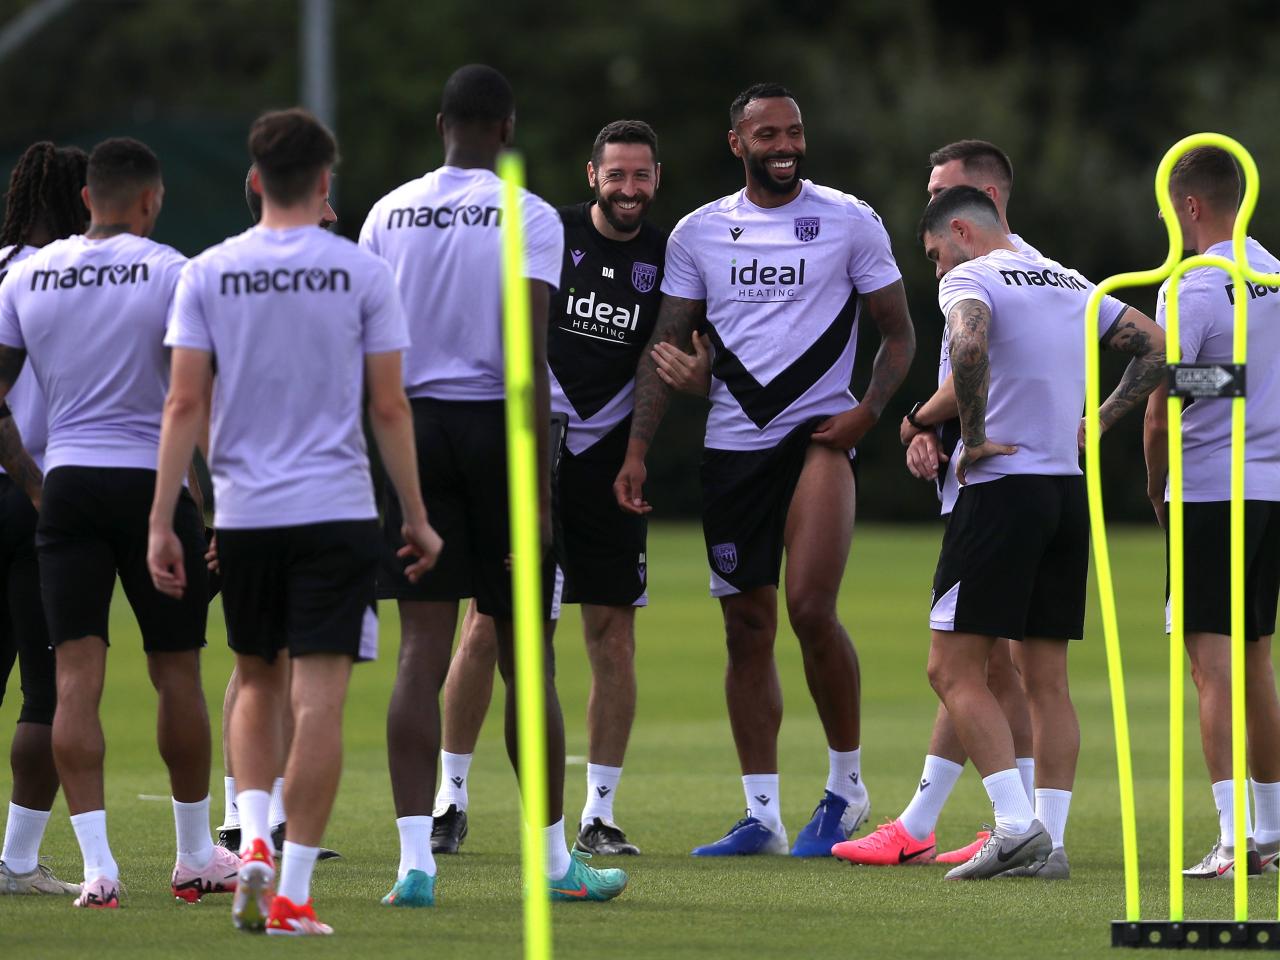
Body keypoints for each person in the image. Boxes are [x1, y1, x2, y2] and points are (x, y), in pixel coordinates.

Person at [148, 108, 441, 935]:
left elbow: (182, 401)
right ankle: (292, 894)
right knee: (318, 701)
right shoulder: (360, 274)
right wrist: (416, 516)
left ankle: (250, 848)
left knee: (256, 680)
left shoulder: (205, 271)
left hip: (244, 514)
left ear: (252, 182)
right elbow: (389, 405)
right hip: (338, 510)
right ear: (325, 183)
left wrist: (163, 520)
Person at [614, 82, 916, 858]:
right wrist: (641, 448)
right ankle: (762, 816)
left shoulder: (850, 219)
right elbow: (667, 347)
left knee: (811, 609)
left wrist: (868, 413)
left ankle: (846, 791)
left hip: (818, 438)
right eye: (767, 134)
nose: (785, 145)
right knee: (746, 629)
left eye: (794, 132)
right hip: (731, 447)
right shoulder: (697, 233)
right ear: (737, 144)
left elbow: (901, 335)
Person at [360, 63, 626, 905]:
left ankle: (413, 866)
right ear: (504, 129)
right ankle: (553, 865)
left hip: (411, 434)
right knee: (527, 657)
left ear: (442, 123)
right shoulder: (531, 213)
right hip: (492, 433)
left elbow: (371, 351)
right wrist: (541, 487)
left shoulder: (385, 212)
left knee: (418, 653)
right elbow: (527, 353)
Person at [0, 137, 234, 908]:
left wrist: (35, 481)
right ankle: (195, 852)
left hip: (64, 486)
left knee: (72, 682)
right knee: (177, 674)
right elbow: (195, 396)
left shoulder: (27, 273)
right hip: (151, 489)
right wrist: (214, 501)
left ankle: (98, 868)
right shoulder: (174, 270)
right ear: (150, 200)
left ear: (85, 198)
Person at [428, 119, 667, 858]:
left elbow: (679, 348)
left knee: (613, 635)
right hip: (529, 443)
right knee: (487, 625)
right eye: (616, 175)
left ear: (657, 179)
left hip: (608, 457)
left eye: (642, 176)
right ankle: (450, 799)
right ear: (591, 175)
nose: (629, 190)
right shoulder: (546, 231)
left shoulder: (670, 254)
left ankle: (599, 813)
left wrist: (640, 444)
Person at [917, 185, 1165, 879]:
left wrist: (972, 435)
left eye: (935, 256)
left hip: (1003, 491)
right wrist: (1103, 422)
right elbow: (1156, 345)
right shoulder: (1068, 278)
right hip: (1065, 489)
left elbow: (968, 343)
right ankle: (1048, 844)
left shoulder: (971, 276)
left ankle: (1014, 825)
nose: (937, 271)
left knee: (950, 667)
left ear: (961, 232)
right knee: (1046, 678)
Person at [835, 140, 1038, 868]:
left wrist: (919, 418)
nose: (929, 203)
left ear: (980, 197)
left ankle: (1023, 826)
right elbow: (963, 368)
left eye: (940, 190)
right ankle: (943, 820)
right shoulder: (1003, 270)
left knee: (992, 665)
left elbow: (975, 365)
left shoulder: (994, 272)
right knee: (985, 664)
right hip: (1000, 483)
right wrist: (932, 435)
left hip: (1004, 487)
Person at [1143, 146, 1280, 880]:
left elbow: (1168, 399)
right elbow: (1236, 376)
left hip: (1208, 490)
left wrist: (1152, 483)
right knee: (1257, 659)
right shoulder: (1273, 272)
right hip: (1270, 488)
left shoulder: (1194, 284)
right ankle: (1271, 826)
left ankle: (1234, 842)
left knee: (1212, 668)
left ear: (1189, 207)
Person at [214, 164, 340, 859]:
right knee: (278, 667)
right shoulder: (320, 281)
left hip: (248, 497)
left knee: (259, 662)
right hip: (304, 497)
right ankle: (258, 821)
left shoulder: (228, 273)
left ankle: (251, 819)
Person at [0, 142, 88, 896]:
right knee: (45, 688)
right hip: (39, 497)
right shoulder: (68, 274)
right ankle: (17, 863)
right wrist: (32, 482)